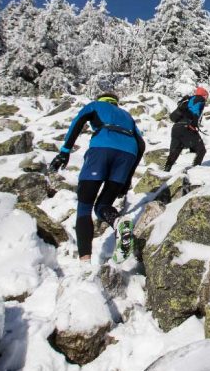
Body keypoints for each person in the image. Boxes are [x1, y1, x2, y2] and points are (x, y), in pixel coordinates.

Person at [48, 92, 145, 262]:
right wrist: (127, 179)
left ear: (102, 100)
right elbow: (141, 144)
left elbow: (78, 122)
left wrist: (65, 151)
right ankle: (118, 223)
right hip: (128, 155)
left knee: (85, 206)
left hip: (102, 149)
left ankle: (85, 261)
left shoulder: (96, 105)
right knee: (103, 205)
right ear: (116, 103)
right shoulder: (127, 116)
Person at [164, 86, 208, 172]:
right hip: (186, 128)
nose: (206, 98)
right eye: (206, 96)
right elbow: (195, 111)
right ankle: (196, 170)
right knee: (201, 150)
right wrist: (194, 124)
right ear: (204, 95)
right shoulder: (199, 99)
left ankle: (165, 171)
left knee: (175, 152)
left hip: (176, 128)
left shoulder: (188, 99)